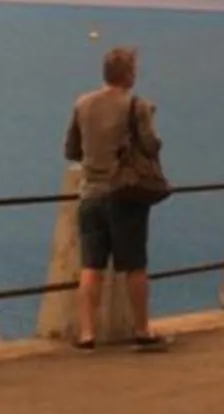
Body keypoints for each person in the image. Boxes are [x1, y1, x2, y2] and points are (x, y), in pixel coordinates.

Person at [64, 44, 169, 350]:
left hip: (90, 194)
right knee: (134, 266)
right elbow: (150, 146)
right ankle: (142, 329)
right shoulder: (137, 105)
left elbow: (71, 150)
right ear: (129, 75)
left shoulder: (82, 104)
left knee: (91, 266)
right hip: (125, 194)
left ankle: (87, 333)